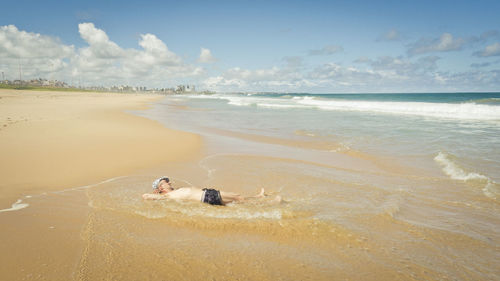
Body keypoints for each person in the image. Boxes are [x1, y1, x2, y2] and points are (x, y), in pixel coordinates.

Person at [142, 176, 275, 206]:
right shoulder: (168, 196)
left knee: (238, 200)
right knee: (239, 198)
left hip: (207, 195)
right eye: (166, 182)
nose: (169, 182)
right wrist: (153, 195)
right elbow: (146, 196)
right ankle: (270, 204)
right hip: (207, 196)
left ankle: (259, 197)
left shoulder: (173, 192)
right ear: (160, 188)